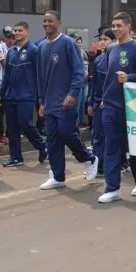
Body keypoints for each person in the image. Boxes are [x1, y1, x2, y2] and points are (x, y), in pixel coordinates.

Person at [36, 11, 98, 190]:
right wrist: (41, 101)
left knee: (66, 132)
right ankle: (58, 176)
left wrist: (73, 93)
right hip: (49, 102)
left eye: (50, 21)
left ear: (59, 22)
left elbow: (79, 71)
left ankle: (89, 159)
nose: (47, 24)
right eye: (44, 21)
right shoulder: (41, 47)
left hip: (66, 100)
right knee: (52, 139)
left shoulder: (67, 43)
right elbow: (41, 77)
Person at [98, 11, 136, 203]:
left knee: (134, 147)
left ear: (129, 27)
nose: (115, 29)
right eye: (113, 26)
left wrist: (129, 78)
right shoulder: (111, 49)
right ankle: (112, 188)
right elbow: (108, 77)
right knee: (111, 147)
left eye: (119, 26)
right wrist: (103, 98)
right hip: (110, 105)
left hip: (132, 108)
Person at [0, 21, 48, 168]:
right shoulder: (11, 51)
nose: (17, 33)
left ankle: (42, 146)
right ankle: (16, 158)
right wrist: (0, 93)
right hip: (10, 96)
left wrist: (41, 97)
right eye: (15, 31)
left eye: (19, 30)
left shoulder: (34, 50)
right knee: (12, 128)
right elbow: (7, 75)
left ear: (27, 32)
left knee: (25, 123)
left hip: (27, 95)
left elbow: (40, 74)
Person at [88, 29, 116, 176]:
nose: (102, 42)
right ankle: (98, 166)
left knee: (111, 136)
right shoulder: (98, 60)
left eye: (106, 39)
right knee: (97, 135)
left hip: (112, 104)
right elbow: (94, 84)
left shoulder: (117, 59)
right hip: (98, 103)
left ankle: (114, 164)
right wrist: (91, 102)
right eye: (101, 39)